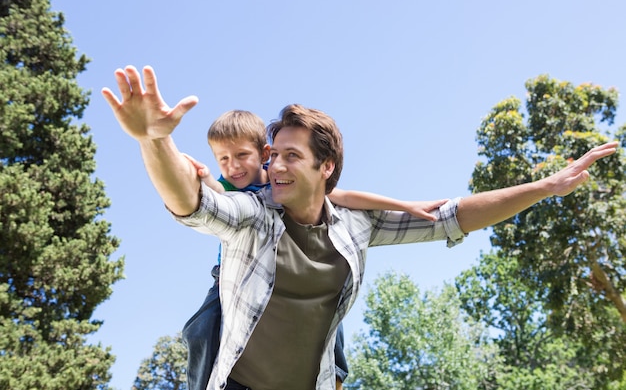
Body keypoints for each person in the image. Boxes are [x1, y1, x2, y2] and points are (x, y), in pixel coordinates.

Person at [102, 65, 618, 390]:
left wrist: (545, 186)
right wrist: (153, 141)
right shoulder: (253, 215)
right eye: (272, 155)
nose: (274, 166)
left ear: (325, 167)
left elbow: (452, 216)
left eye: (290, 156)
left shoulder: (353, 225)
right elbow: (192, 204)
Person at [181, 109, 448, 390]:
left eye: (241, 156)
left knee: (325, 305)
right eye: (223, 159)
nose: (233, 166)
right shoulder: (228, 186)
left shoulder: (278, 180)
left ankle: (335, 375)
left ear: (264, 154)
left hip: (290, 265)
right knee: (201, 328)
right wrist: (200, 176)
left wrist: (406, 206)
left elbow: (345, 196)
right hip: (230, 278)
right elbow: (213, 196)